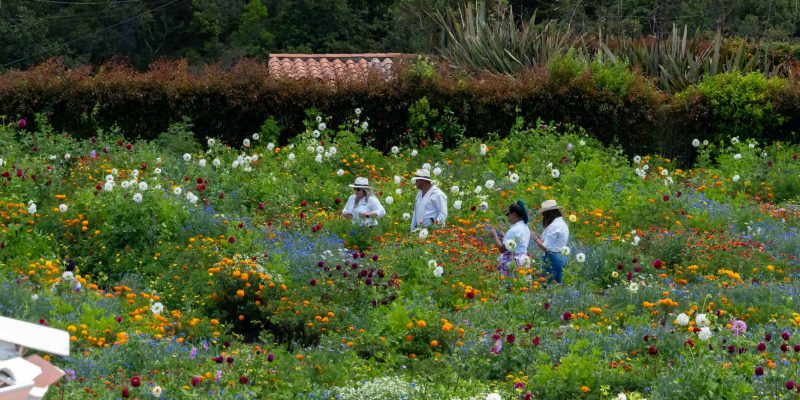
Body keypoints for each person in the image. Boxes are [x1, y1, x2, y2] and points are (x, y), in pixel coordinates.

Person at [531, 199, 569, 284]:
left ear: (548, 214)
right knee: (557, 284)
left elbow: (546, 247)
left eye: (544, 215)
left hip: (552, 257)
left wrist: (535, 238)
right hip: (560, 256)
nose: (543, 217)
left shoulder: (554, 226)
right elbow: (554, 241)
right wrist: (540, 237)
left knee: (548, 284)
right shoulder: (562, 224)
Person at [491, 201, 531, 278]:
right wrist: (503, 238)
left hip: (513, 261)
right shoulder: (525, 227)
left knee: (510, 285)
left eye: (508, 214)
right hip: (523, 259)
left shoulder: (514, 230)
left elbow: (502, 249)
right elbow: (516, 244)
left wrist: (494, 235)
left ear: (514, 214)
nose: (507, 216)